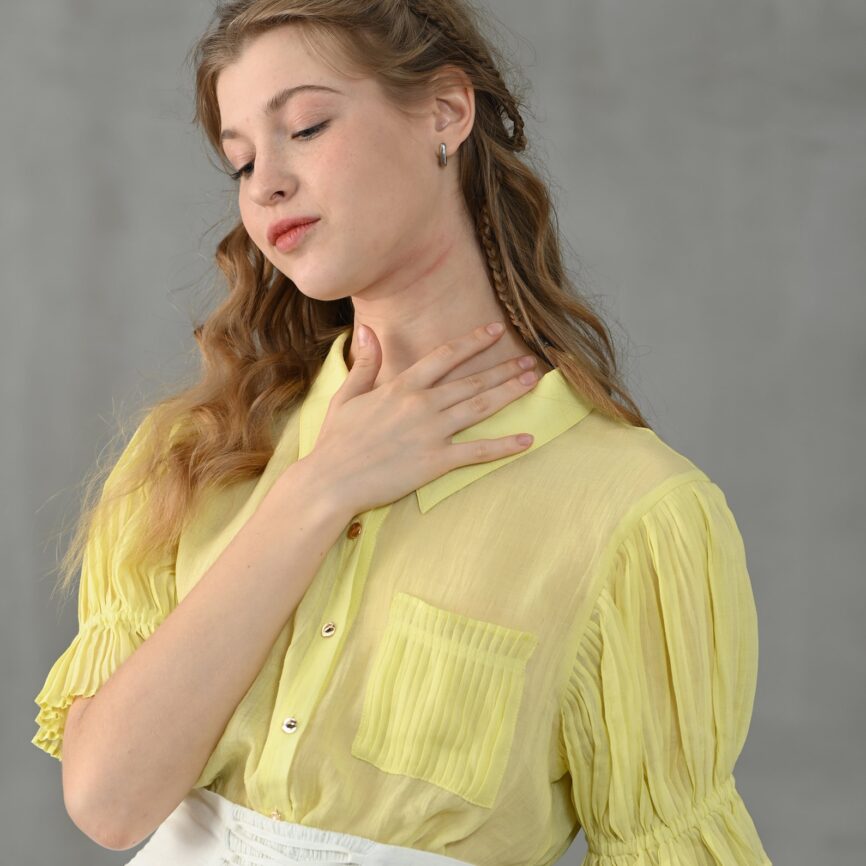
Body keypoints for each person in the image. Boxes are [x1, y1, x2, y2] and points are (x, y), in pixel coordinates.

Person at [31, 2, 773, 865]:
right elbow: (108, 805)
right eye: (240, 159)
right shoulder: (197, 455)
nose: (264, 182)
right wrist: (319, 489)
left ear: (446, 113)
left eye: (304, 126)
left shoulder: (636, 512)